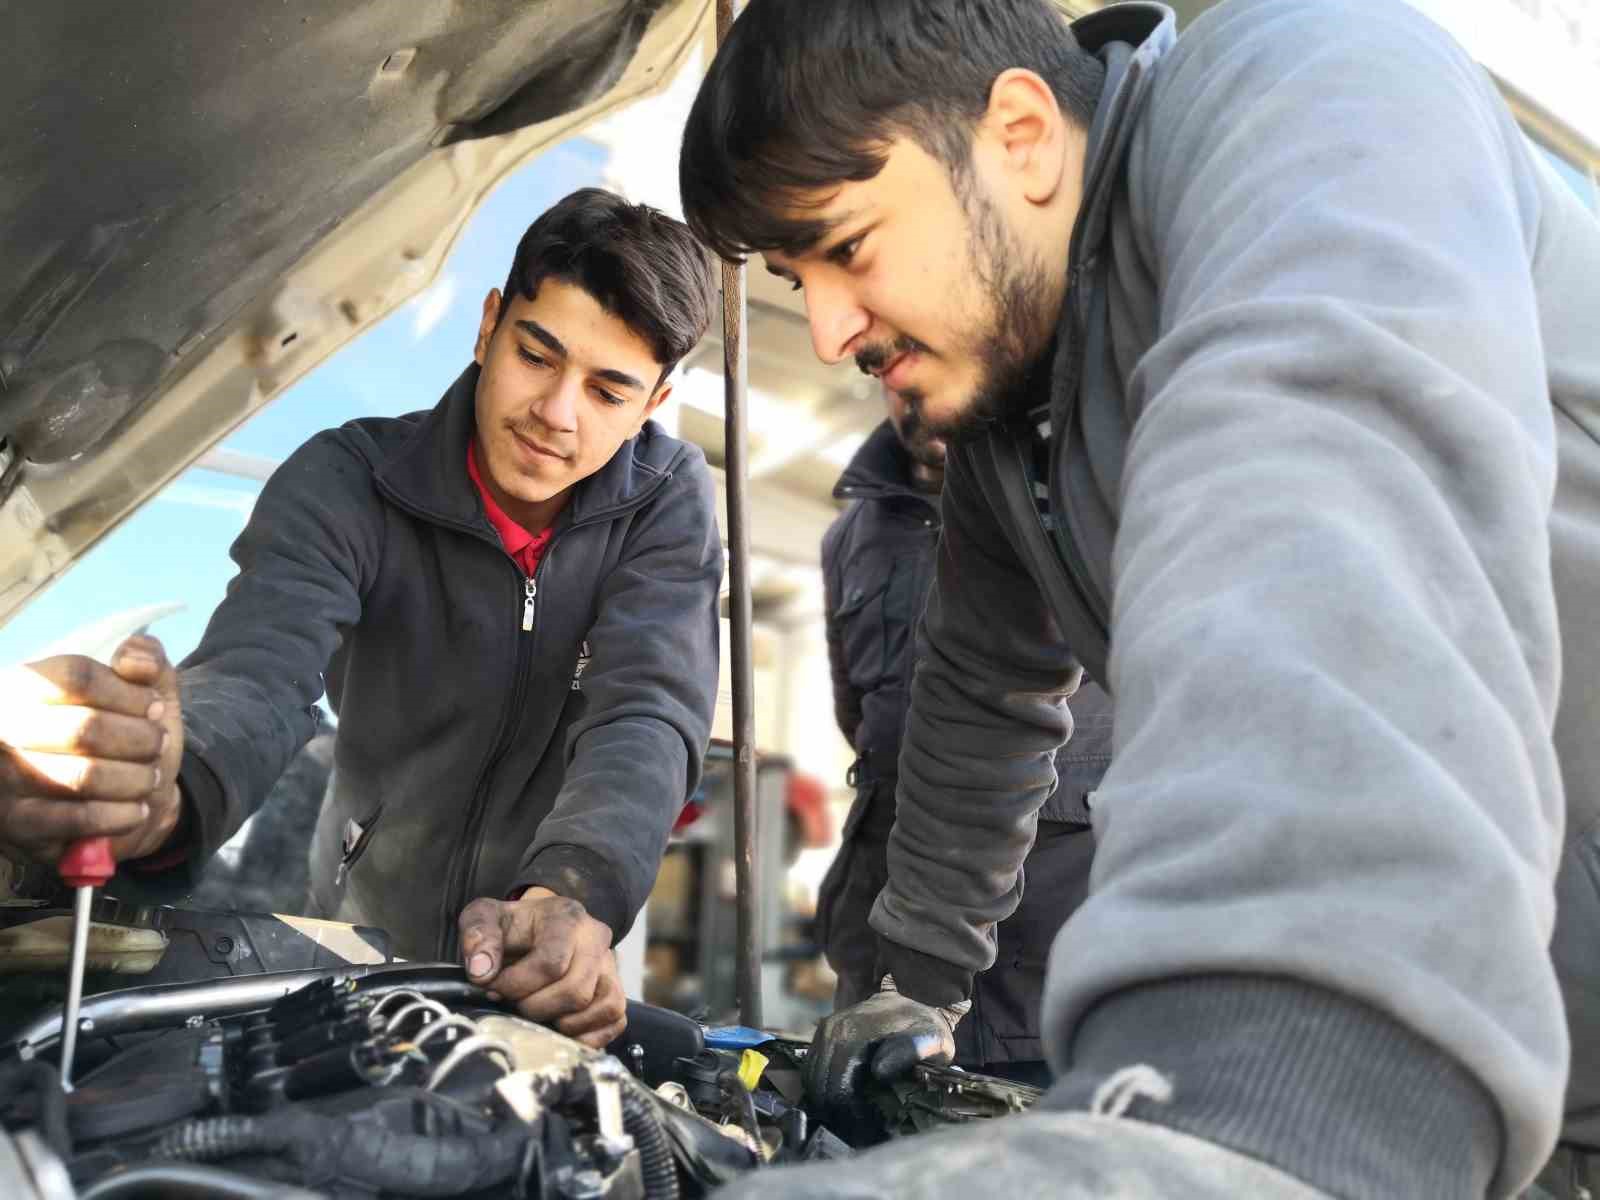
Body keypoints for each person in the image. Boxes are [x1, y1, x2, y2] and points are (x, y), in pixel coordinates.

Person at [680, 0, 1600, 1195]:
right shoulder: (1013, 427)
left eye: (844, 246)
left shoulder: (1315, 80)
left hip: (1429, 1022)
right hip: (1528, 1039)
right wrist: (907, 985)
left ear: (1018, 133)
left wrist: (1267, 1077)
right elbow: (979, 694)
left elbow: (1321, 482)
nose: (827, 325)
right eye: (797, 278)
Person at [0, 188, 723, 1048]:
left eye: (608, 392)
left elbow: (645, 710)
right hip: (360, 933)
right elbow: (260, 671)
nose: (557, 414)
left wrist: (575, 888)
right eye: (537, 355)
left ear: (653, 403)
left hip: (544, 944)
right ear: (490, 324)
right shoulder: (349, 480)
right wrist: (169, 787)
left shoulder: (667, 503)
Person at [819, 382, 1111, 1088]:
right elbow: (857, 714)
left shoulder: (1086, 483)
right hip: (886, 961)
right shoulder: (851, 538)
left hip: (1049, 969)